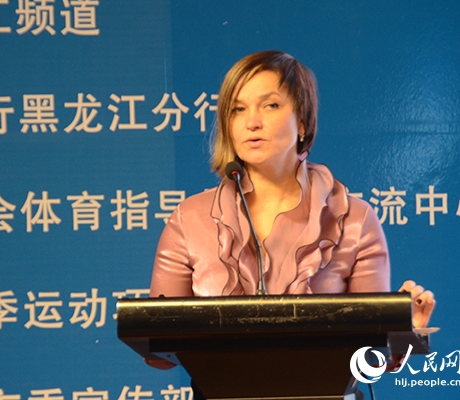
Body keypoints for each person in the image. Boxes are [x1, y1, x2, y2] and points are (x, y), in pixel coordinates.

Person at [148, 50, 435, 369]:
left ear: (302, 121)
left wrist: (403, 335)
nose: (252, 122)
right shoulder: (189, 219)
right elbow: (158, 354)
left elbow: (371, 357)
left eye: (270, 105)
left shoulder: (354, 220)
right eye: (238, 109)